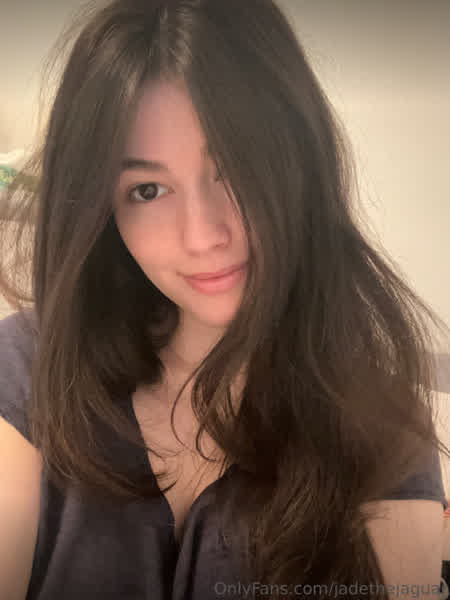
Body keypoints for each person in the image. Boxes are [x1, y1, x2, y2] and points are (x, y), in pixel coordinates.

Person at [0, 1, 449, 599]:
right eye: (148, 190)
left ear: (300, 163)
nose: (202, 235)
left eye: (234, 169)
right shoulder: (28, 368)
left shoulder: (381, 423)